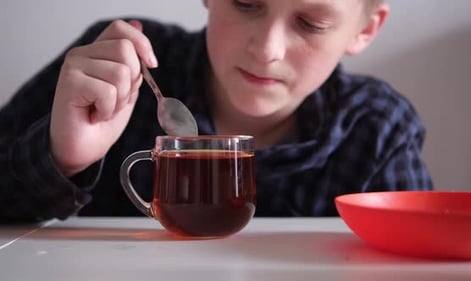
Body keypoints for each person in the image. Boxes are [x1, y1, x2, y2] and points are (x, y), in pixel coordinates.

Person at [0, 0, 432, 222]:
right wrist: (61, 156)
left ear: (365, 28)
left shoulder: (376, 128)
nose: (267, 51)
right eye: (246, 3)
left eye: (310, 24)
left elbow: (415, 258)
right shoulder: (116, 67)